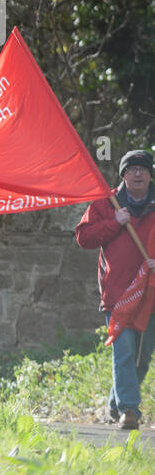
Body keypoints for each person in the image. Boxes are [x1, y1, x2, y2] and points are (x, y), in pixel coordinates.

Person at [75, 149, 155, 430]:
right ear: (122, 174)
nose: (137, 174)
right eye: (131, 169)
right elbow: (83, 237)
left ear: (149, 174)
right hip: (118, 294)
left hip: (150, 295)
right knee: (123, 353)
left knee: (141, 359)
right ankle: (129, 410)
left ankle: (115, 403)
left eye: (143, 169)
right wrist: (115, 223)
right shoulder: (105, 202)